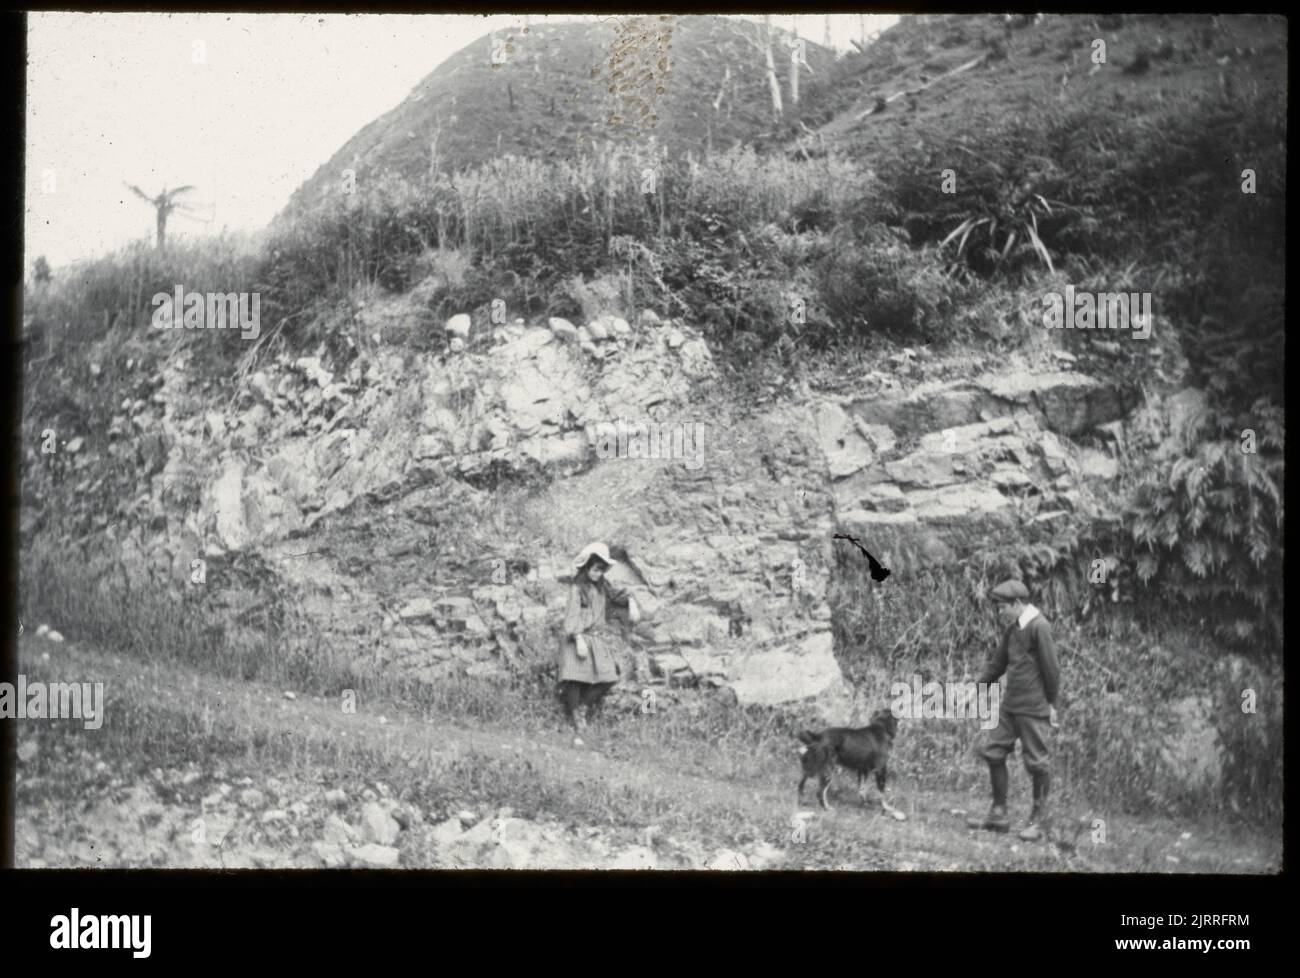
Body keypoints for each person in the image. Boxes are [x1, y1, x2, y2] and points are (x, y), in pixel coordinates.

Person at [967, 579, 1060, 841]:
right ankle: (998, 815)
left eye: (1002, 608)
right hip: (1010, 707)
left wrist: (1051, 704)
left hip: (1033, 708)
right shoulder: (1013, 630)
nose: (999, 613)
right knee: (993, 752)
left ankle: (1039, 822)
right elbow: (997, 665)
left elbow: (1052, 669)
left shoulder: (1039, 627)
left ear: (1017, 603)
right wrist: (975, 691)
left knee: (1037, 763)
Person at [558, 542, 640, 746]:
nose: (597, 573)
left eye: (601, 570)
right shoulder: (577, 589)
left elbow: (619, 595)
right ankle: (577, 719)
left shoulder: (603, 586)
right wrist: (577, 638)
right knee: (574, 679)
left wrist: (632, 602)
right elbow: (572, 615)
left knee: (608, 677)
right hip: (577, 638)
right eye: (594, 569)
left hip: (595, 638)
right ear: (586, 567)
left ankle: (584, 707)